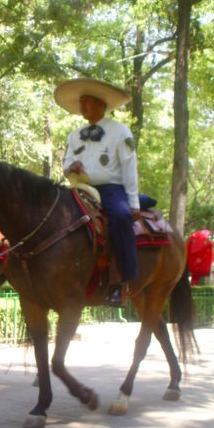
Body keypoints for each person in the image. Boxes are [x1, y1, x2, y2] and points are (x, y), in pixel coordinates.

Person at [54, 77, 139, 306]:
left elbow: (130, 169)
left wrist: (134, 204)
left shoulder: (121, 132)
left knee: (121, 218)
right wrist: (71, 167)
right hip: (79, 188)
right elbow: (66, 165)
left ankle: (121, 282)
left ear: (101, 104)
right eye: (81, 102)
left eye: (86, 101)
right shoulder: (74, 135)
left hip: (110, 189)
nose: (82, 106)